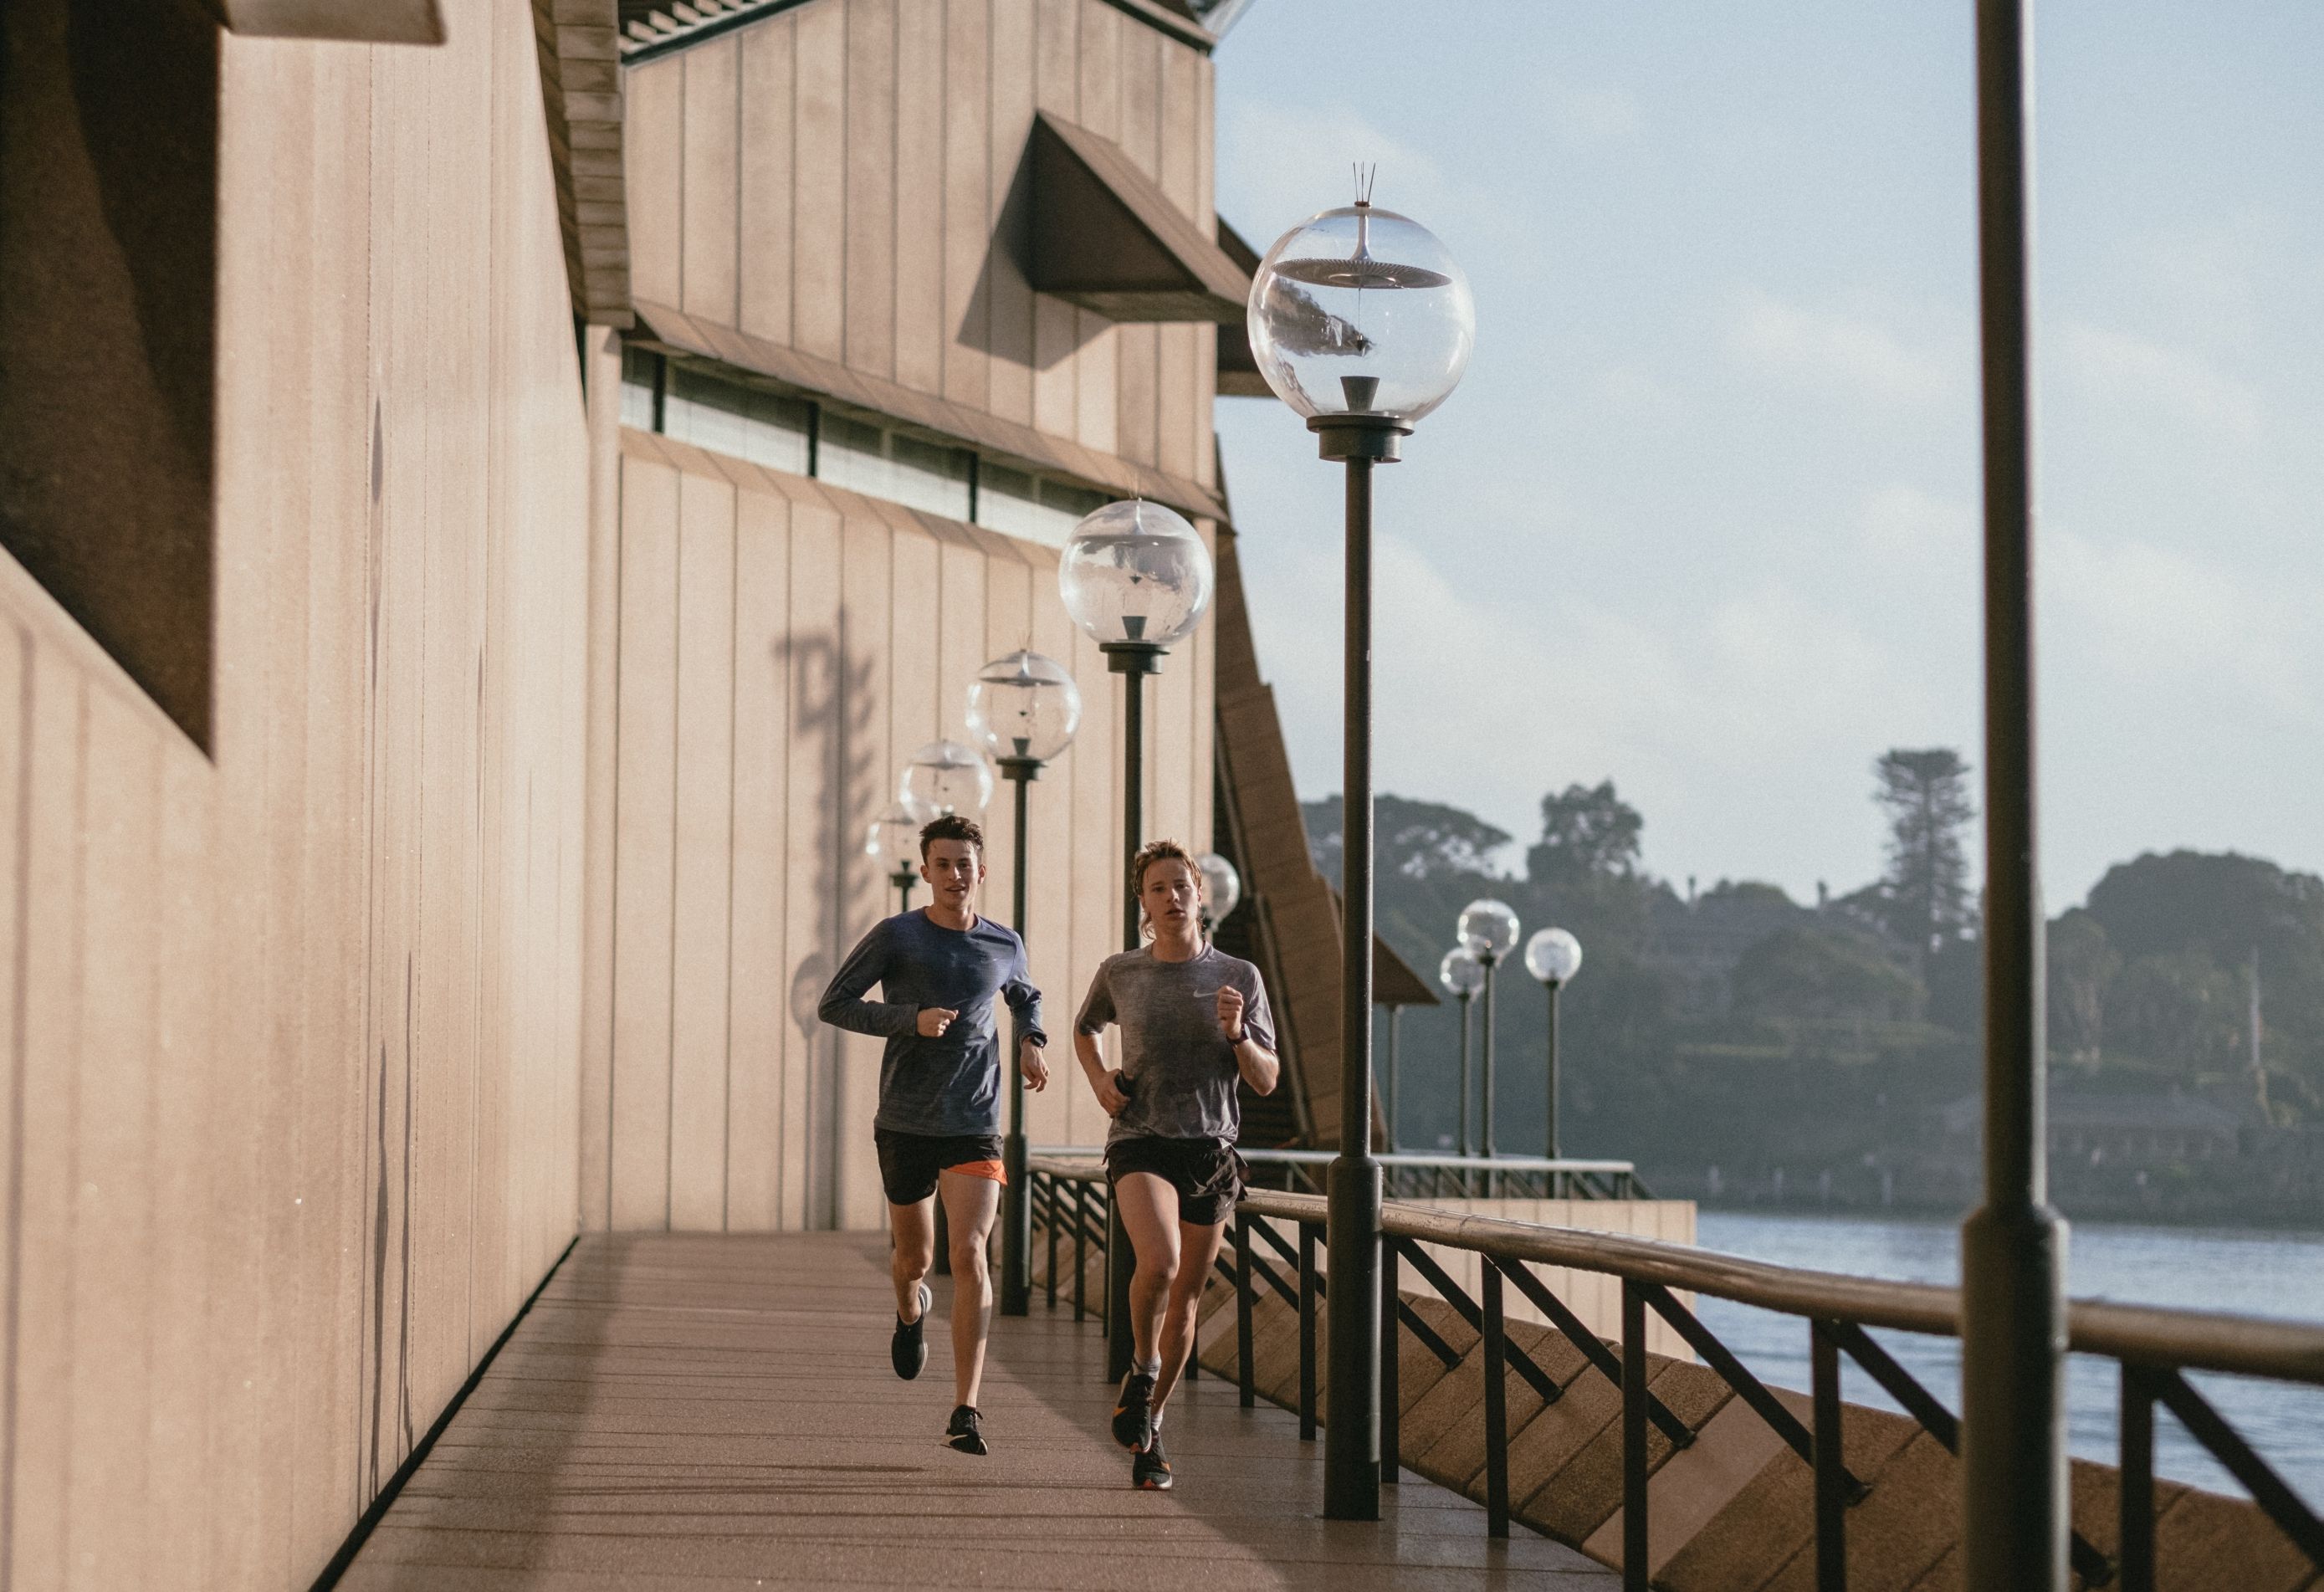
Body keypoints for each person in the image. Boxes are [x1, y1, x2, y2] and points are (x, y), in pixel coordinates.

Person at [818, 812, 1048, 1456]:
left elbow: (1025, 995)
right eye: (943, 864)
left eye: (965, 864)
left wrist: (1032, 1039)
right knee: (914, 1258)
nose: (955, 875)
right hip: (905, 1119)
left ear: (982, 871)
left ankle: (967, 1408)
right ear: (925, 871)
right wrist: (908, 1020)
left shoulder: (1003, 942)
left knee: (971, 1253)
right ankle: (909, 1308)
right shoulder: (897, 935)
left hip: (975, 1121)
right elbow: (834, 1002)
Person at [1074, 839, 1279, 1490]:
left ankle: (1151, 1427)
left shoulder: (1239, 977)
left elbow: (1268, 1080)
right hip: (1140, 1138)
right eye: (1157, 888)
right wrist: (1100, 1082)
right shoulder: (1122, 971)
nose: (1171, 898)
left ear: (1200, 894)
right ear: (1143, 901)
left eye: (1180, 886)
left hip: (1210, 1150)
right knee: (1157, 1262)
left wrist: (1240, 1035)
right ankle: (1140, 1366)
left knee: (1186, 1299)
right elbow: (1085, 1028)